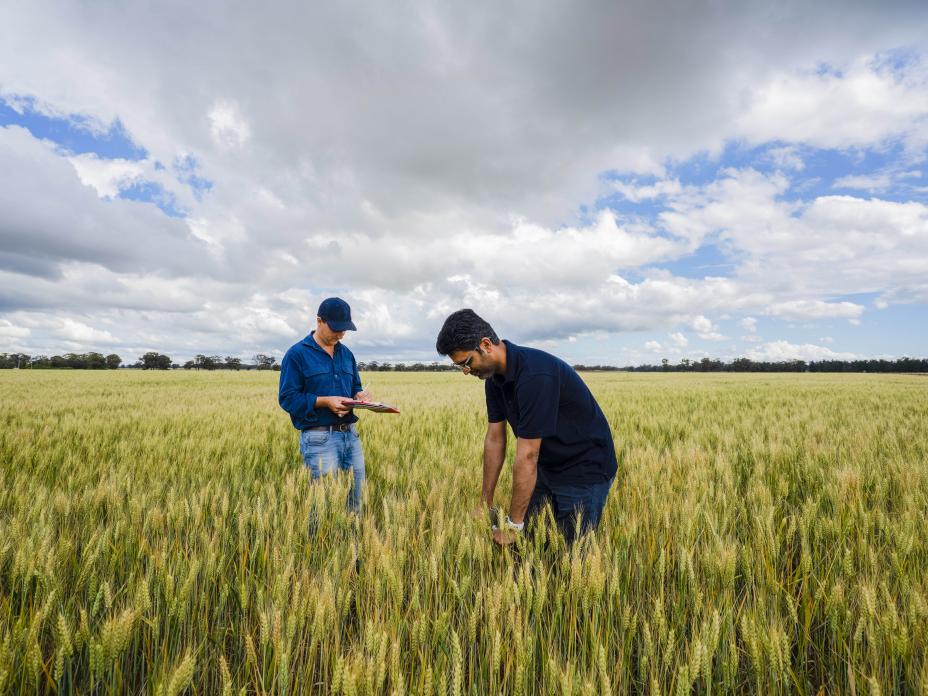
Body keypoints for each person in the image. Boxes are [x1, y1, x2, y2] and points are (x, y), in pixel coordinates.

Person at [435, 309, 617, 547]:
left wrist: (513, 526)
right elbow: (495, 439)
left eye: (466, 363)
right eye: (460, 367)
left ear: (486, 344)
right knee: (532, 546)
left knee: (574, 557)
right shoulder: (493, 380)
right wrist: (485, 503)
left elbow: (528, 453)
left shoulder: (535, 375)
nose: (466, 371)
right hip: (547, 465)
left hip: (584, 468)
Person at [279, 297, 371, 517]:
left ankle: (352, 550)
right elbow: (287, 398)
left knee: (356, 501)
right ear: (319, 321)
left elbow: (354, 388)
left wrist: (359, 396)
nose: (340, 335)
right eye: (336, 329)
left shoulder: (346, 354)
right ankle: (319, 549)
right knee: (323, 507)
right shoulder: (297, 354)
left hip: (350, 436)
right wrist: (324, 401)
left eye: (345, 330)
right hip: (319, 439)